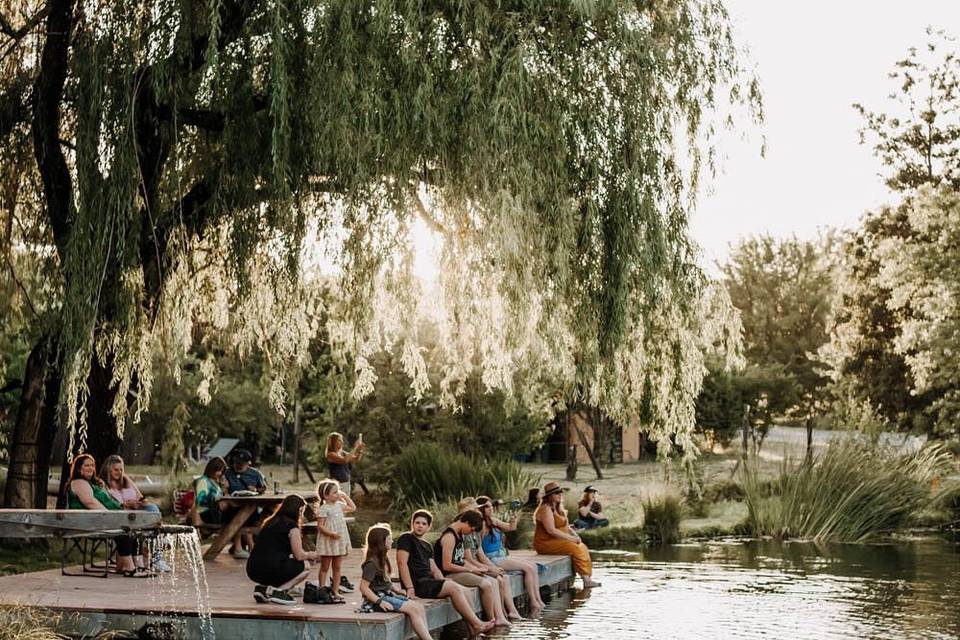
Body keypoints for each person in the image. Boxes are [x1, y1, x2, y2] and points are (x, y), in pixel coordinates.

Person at [395, 510, 495, 637]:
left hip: (428, 582)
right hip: (417, 584)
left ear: (428, 527)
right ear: (412, 524)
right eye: (417, 523)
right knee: (453, 588)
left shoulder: (427, 545)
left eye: (424, 524)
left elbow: (434, 568)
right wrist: (409, 588)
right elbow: (401, 563)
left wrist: (443, 580)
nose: (420, 526)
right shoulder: (406, 538)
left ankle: (472, 629)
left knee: (464, 590)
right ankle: (477, 624)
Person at [67, 453, 148, 577]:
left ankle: (136, 566)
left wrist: (123, 507)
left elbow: (110, 501)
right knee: (124, 530)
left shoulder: (94, 483)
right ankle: (130, 569)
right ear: (79, 468)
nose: (90, 468)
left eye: (92, 465)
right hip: (90, 521)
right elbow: (90, 503)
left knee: (135, 528)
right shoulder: (79, 482)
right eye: (86, 465)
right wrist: (112, 515)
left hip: (104, 517)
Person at [356, 523, 432, 639]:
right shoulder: (371, 564)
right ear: (381, 542)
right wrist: (379, 602)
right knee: (412, 609)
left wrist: (397, 591)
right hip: (378, 600)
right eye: (389, 539)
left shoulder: (383, 559)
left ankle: (426, 637)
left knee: (419, 607)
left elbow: (385, 582)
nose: (392, 541)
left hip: (387, 595)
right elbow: (363, 587)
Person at [99, 454, 170, 573]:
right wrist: (126, 505)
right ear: (108, 469)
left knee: (151, 507)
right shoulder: (102, 484)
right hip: (120, 514)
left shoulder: (125, 480)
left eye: (121, 469)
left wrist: (139, 503)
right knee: (144, 524)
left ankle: (157, 541)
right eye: (116, 470)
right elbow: (108, 502)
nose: (119, 472)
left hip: (135, 513)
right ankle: (157, 545)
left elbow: (141, 498)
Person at [456, 498, 522, 623]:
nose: (478, 511)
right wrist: (489, 568)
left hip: (477, 564)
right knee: (494, 580)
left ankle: (505, 614)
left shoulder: (474, 530)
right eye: (475, 509)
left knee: (503, 577)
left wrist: (493, 567)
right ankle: (497, 617)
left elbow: (481, 554)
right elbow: (469, 558)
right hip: (468, 566)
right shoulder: (465, 532)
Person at [477, 496, 545, 613]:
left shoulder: (493, 520)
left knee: (533, 566)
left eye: (491, 505)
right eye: (487, 506)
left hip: (501, 555)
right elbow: (478, 547)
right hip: (492, 557)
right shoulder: (482, 525)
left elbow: (511, 527)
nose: (491, 508)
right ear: (481, 509)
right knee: (528, 568)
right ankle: (533, 601)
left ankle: (538, 600)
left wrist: (513, 515)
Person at [247, 494, 319, 605]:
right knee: (306, 566)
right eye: (302, 512)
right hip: (270, 567)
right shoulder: (292, 527)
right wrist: (313, 555)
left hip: (253, 568)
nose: (302, 515)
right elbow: (299, 555)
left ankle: (263, 589)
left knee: (285, 562)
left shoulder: (270, 522)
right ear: (297, 511)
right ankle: (279, 591)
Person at [533, 481, 600, 588]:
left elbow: (567, 526)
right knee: (575, 548)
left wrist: (575, 536)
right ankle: (586, 580)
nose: (560, 495)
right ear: (549, 496)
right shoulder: (546, 509)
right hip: (545, 543)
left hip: (558, 541)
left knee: (583, 547)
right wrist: (571, 539)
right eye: (557, 493)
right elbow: (551, 530)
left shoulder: (559, 509)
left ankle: (587, 578)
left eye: (560, 492)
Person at [313, 479, 356, 604]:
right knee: (325, 566)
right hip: (328, 540)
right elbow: (320, 526)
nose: (337, 495)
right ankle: (322, 589)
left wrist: (344, 496)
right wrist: (331, 533)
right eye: (334, 493)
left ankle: (335, 591)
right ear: (325, 495)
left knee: (337, 567)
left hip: (338, 541)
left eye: (337, 492)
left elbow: (353, 508)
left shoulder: (339, 505)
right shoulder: (323, 508)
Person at [223, 449, 267, 557]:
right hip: (232, 506)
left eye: (241, 464)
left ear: (248, 464)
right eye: (236, 463)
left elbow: (263, 488)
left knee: (255, 517)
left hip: (251, 506)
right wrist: (225, 488)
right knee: (239, 515)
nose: (238, 466)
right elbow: (222, 490)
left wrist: (256, 490)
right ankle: (242, 547)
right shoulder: (228, 473)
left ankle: (250, 548)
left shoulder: (255, 474)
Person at [324, 431, 365, 498]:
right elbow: (344, 460)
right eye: (339, 440)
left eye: (341, 440)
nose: (342, 442)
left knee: (345, 504)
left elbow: (355, 459)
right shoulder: (330, 454)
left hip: (346, 482)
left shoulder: (342, 453)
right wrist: (355, 448)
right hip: (337, 485)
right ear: (333, 442)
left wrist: (360, 451)